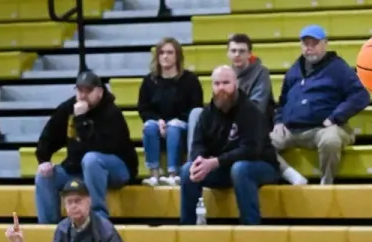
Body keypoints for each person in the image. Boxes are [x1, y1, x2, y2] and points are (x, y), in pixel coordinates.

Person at [179, 66, 279, 226]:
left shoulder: (251, 111)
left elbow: (251, 150)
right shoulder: (207, 113)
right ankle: (187, 229)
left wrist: (216, 162)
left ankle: (251, 227)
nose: (221, 88)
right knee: (187, 170)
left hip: (261, 166)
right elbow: (198, 144)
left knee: (240, 169)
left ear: (236, 84)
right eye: (217, 83)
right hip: (224, 169)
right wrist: (199, 160)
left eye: (226, 83)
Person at [34, 71, 138, 224]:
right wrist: (43, 160)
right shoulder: (69, 108)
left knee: (91, 159)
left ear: (99, 92)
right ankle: (49, 228)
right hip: (81, 170)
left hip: (117, 169)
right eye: (79, 90)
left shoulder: (111, 113)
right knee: (44, 176)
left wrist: (81, 120)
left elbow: (98, 147)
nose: (83, 95)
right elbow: (50, 134)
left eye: (88, 91)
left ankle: (98, 220)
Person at [271, 25, 370, 185]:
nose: (309, 48)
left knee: (331, 140)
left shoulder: (338, 68)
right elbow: (282, 101)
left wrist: (335, 117)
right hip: (291, 129)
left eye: (314, 43)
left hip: (322, 129)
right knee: (259, 144)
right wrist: (279, 121)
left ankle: (326, 183)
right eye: (306, 43)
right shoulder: (294, 70)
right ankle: (292, 176)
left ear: (325, 44)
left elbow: (361, 95)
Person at [138, 37, 203, 186]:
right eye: (161, 53)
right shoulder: (149, 81)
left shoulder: (190, 80)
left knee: (173, 127)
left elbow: (195, 108)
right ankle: (154, 173)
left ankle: (174, 173)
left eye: (169, 52)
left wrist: (176, 120)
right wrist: (158, 120)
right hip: (158, 123)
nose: (165, 56)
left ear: (177, 56)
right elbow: (143, 108)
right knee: (149, 126)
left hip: (182, 124)